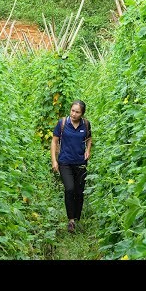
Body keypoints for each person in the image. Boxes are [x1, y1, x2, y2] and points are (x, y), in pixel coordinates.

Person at [51, 100, 92, 233]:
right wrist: (54, 161)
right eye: (72, 111)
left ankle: (77, 218)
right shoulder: (62, 123)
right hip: (65, 162)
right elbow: (54, 141)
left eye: (77, 112)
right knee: (69, 189)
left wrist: (88, 150)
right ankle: (71, 220)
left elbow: (89, 138)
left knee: (79, 192)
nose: (74, 114)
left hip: (80, 163)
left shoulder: (85, 124)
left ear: (82, 114)